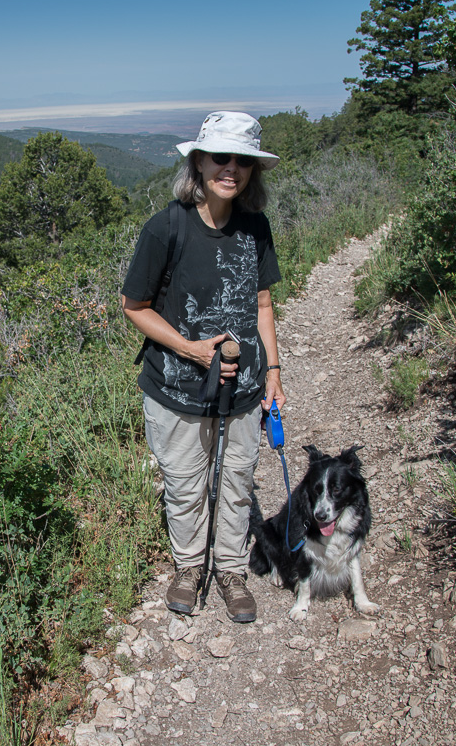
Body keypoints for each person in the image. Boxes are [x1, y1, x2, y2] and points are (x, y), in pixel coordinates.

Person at [121, 111, 286, 622]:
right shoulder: (166, 227)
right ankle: (191, 566)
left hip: (243, 387)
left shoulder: (255, 228)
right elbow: (134, 306)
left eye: (242, 160)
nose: (231, 169)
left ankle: (231, 570)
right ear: (198, 162)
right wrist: (191, 349)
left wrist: (274, 373)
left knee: (238, 479)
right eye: (221, 157)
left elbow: (262, 305)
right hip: (175, 387)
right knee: (185, 482)